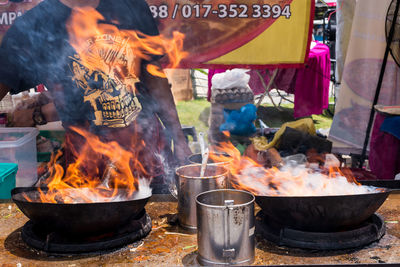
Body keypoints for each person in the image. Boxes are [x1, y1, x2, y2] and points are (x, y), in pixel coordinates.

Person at [0, 0, 192, 188]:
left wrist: (180, 139)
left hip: (148, 153)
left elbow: (154, 76)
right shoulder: (34, 25)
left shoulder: (131, 5)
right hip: (87, 162)